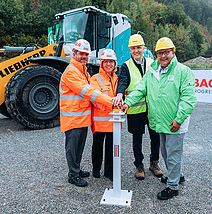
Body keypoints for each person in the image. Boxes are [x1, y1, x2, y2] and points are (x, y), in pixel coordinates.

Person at [122, 37, 197, 200]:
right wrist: (127, 102)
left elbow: (188, 99)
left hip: (175, 123)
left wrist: (179, 119)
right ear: (156, 54)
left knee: (173, 154)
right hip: (160, 122)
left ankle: (172, 187)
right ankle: (177, 175)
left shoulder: (182, 71)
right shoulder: (153, 71)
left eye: (166, 52)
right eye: (160, 53)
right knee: (165, 152)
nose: (163, 56)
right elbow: (141, 89)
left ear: (173, 52)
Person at [59, 39, 114, 187]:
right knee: (72, 148)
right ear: (74, 53)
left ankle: (76, 169)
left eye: (86, 54)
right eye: (81, 54)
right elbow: (89, 92)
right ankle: (73, 175)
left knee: (79, 147)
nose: (84, 56)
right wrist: (110, 102)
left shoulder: (82, 71)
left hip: (81, 117)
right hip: (73, 118)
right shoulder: (72, 72)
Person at [113, 34, 162, 180]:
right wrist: (120, 95)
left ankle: (154, 163)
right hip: (134, 109)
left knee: (155, 136)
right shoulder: (126, 65)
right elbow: (123, 82)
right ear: (130, 50)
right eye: (133, 48)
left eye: (139, 47)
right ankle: (139, 165)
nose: (136, 51)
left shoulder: (152, 62)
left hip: (152, 108)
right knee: (137, 138)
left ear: (143, 48)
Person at [90, 49, 119, 181]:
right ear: (101, 63)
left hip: (114, 120)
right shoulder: (95, 78)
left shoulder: (117, 78)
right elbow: (95, 98)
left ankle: (109, 172)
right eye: (105, 62)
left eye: (111, 62)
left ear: (114, 63)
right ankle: (96, 169)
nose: (108, 64)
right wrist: (112, 104)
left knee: (111, 148)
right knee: (97, 146)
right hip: (100, 120)